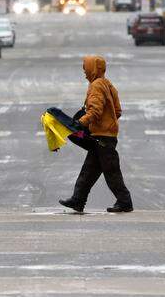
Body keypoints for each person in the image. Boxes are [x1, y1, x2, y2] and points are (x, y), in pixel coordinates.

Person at [59, 55, 133, 213]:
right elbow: (117, 110)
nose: (85, 73)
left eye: (86, 69)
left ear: (93, 69)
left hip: (102, 138)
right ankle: (78, 200)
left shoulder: (96, 85)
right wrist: (109, 122)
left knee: (111, 172)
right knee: (88, 171)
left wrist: (81, 123)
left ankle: (125, 202)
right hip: (104, 136)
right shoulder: (108, 84)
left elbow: (95, 111)